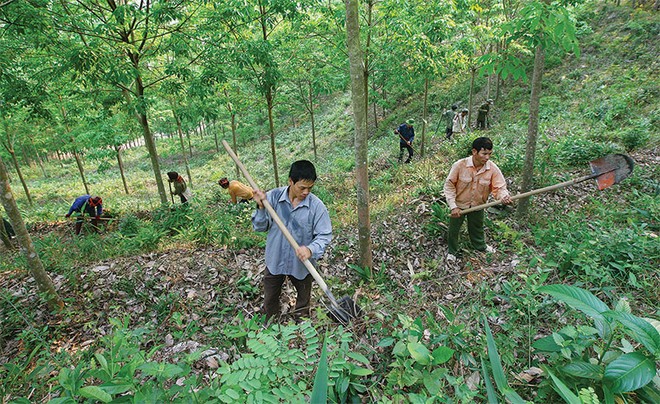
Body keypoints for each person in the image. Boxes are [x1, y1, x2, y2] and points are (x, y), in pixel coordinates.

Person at [252, 160, 332, 322]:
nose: (306, 192)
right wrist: (260, 207)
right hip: (276, 259)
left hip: (301, 264)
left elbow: (324, 235)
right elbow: (260, 227)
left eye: (310, 188)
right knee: (270, 297)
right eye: (302, 187)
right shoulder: (272, 197)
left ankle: (302, 326)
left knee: (303, 300)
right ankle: (271, 323)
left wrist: (310, 249)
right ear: (290, 181)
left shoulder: (316, 206)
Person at [443, 137, 512, 260]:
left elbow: (499, 186)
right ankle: (452, 252)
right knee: (454, 230)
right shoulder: (460, 165)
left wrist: (504, 196)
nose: (487, 157)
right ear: (474, 152)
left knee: (477, 227)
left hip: (478, 205)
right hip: (459, 205)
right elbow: (449, 186)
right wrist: (453, 206)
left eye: (489, 154)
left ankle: (480, 246)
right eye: (484, 153)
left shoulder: (492, 168)